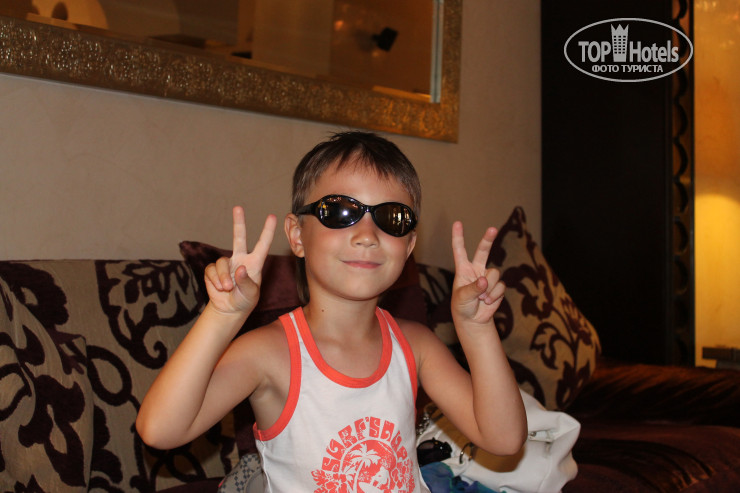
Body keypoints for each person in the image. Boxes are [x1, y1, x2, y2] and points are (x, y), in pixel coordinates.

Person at [136, 131, 527, 492]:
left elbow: (504, 439)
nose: (367, 235)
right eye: (340, 212)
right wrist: (222, 317)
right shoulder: (269, 353)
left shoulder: (415, 345)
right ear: (297, 235)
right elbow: (159, 430)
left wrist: (477, 330)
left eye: (391, 218)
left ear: (408, 246)